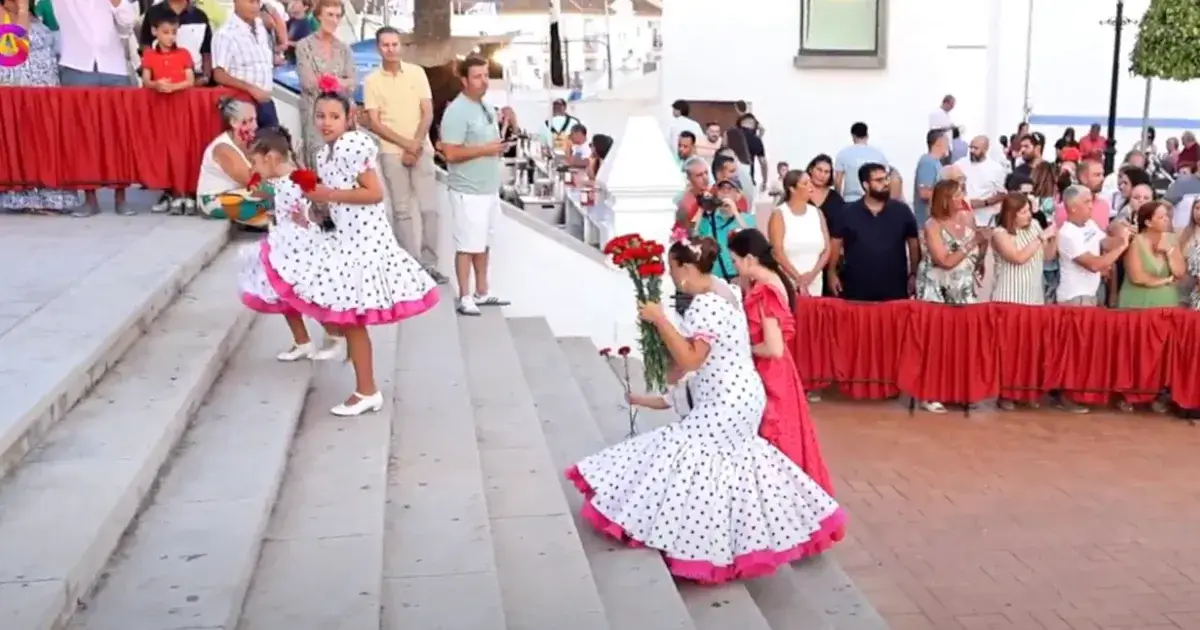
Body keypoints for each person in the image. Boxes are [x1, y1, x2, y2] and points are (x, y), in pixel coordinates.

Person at [564, 235, 845, 584]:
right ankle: (723, 542)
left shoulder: (703, 306)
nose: (669, 274)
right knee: (732, 466)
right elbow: (692, 362)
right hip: (741, 394)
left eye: (671, 268)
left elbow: (692, 358)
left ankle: (700, 547)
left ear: (683, 269)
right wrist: (667, 374)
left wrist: (659, 321)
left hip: (727, 400)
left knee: (687, 454)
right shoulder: (722, 290)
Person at [262, 92, 439, 416]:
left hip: (365, 244)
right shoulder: (324, 154)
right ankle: (363, 384)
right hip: (345, 240)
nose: (325, 122)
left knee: (354, 319)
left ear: (348, 118)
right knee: (349, 319)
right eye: (321, 116)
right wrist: (316, 216)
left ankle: (366, 389)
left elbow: (373, 193)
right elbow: (337, 204)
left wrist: (327, 194)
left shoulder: (351, 145)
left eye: (333, 116)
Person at [728, 229, 836, 496]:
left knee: (775, 439)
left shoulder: (765, 292)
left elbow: (773, 348)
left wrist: (743, 348)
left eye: (736, 261)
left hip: (770, 373)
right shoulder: (772, 281)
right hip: (780, 371)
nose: (735, 267)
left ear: (751, 258)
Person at [237, 127, 344, 361]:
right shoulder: (280, 180)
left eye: (255, 162)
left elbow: (317, 206)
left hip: (301, 247)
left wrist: (309, 220)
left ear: (271, 158)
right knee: (283, 294)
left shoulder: (297, 181)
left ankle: (335, 335)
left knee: (309, 293)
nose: (253, 169)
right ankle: (302, 341)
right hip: (283, 244)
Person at [364, 26, 444, 283]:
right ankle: (409, 267)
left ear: (401, 46)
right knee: (401, 211)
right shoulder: (372, 81)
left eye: (394, 44)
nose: (391, 49)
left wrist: (416, 144)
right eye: (385, 45)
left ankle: (430, 265)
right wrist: (406, 145)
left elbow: (428, 112)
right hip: (390, 152)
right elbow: (375, 123)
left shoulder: (417, 73)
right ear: (379, 48)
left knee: (430, 209)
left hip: (422, 149)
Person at [440, 56, 512, 316]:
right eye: (478, 77)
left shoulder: (485, 107)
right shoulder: (457, 111)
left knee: (483, 243)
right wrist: (486, 149)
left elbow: (488, 144)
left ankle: (482, 290)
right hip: (467, 190)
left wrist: (499, 142)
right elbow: (450, 153)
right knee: (467, 245)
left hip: (488, 187)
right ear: (464, 80)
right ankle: (465, 295)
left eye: (485, 76)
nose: (484, 81)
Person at [53, 0, 137, 216]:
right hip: (77, 65)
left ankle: (121, 197)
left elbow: (128, 24)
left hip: (114, 67)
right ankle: (90, 198)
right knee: (83, 136)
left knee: (119, 135)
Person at [0, 0, 82, 215]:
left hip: (47, 88)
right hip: (23, 89)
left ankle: (53, 192)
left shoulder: (36, 13)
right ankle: (29, 196)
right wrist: (22, 9)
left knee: (48, 138)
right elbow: (16, 42)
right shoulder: (6, 13)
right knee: (27, 141)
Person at [827, 163, 920, 301]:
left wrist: (913, 274)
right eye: (879, 180)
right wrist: (831, 273)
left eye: (886, 178)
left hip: (894, 289)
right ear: (865, 185)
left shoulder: (902, 211)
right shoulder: (848, 212)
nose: (885, 183)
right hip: (857, 289)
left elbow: (913, 243)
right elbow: (835, 243)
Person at [141, 13, 198, 214]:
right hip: (160, 108)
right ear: (155, 31)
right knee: (164, 149)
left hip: (180, 106)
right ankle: (169, 192)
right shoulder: (149, 55)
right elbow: (146, 80)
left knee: (183, 147)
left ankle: (185, 193)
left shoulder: (183, 54)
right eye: (166, 33)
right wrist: (157, 85)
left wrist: (174, 87)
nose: (170, 37)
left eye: (174, 33)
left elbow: (190, 80)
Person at [294, 0, 355, 166]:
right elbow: (308, 82)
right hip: (315, 115)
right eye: (330, 15)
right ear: (319, 16)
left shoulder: (344, 49)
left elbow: (352, 83)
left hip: (340, 117)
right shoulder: (303, 46)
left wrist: (329, 81)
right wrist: (338, 82)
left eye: (337, 16)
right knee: (318, 161)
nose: (334, 20)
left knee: (342, 162)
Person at [196, 97, 272, 226]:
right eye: (250, 120)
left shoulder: (250, 143)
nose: (256, 125)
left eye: (255, 120)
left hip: (238, 194)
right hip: (214, 199)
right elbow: (250, 181)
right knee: (275, 199)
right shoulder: (223, 148)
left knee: (279, 197)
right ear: (234, 122)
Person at [213, 0, 278, 128]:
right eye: (250, 2)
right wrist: (251, 89)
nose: (255, 6)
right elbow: (219, 74)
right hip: (242, 105)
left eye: (257, 2)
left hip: (266, 101)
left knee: (274, 144)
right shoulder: (225, 34)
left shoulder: (261, 27)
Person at [767, 170, 829, 296]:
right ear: (792, 189)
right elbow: (777, 252)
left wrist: (812, 275)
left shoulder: (817, 213)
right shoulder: (779, 214)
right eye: (805, 183)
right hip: (789, 283)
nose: (811, 186)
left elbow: (827, 249)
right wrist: (798, 278)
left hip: (815, 283)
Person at [991, 192, 1056, 306]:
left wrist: (1054, 236)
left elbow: (1047, 256)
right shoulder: (1000, 234)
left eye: (1029, 210)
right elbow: (1018, 258)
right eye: (1023, 212)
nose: (1029, 215)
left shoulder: (1035, 225)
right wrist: (1041, 238)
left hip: (1034, 298)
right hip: (1010, 299)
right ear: (1011, 215)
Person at [1118, 200, 1185, 309]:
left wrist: (1169, 251)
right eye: (1161, 217)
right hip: (1137, 303)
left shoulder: (1172, 240)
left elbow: (1179, 272)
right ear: (1148, 222)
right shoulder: (1135, 242)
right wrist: (1165, 281)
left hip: (1166, 304)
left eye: (1166, 216)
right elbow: (1137, 277)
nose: (1166, 219)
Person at [137, 0, 212, 85]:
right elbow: (146, 45)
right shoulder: (153, 12)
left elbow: (207, 51)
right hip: (159, 81)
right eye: (166, 32)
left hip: (195, 80)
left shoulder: (200, 16)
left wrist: (206, 77)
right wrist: (150, 78)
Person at [833, 122, 888, 203]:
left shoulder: (843, 154)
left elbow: (838, 181)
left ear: (853, 136)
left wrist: (838, 201)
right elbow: (886, 179)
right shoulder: (879, 154)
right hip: (875, 199)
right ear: (867, 135)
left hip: (851, 199)